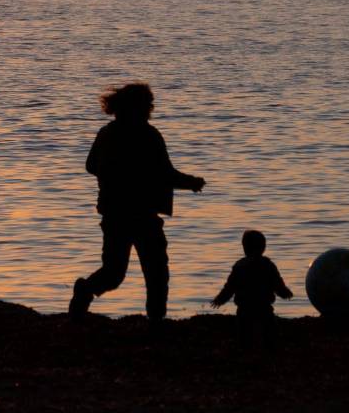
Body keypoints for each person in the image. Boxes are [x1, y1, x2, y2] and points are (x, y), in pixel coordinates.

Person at [69, 83, 206, 320]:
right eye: (148, 104)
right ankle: (156, 320)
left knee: (113, 272)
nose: (151, 108)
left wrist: (111, 175)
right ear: (139, 107)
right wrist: (192, 182)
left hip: (113, 213)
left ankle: (85, 290)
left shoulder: (106, 133)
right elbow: (165, 173)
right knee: (156, 272)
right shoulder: (148, 135)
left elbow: (90, 166)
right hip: (143, 214)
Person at [210, 230, 294, 348]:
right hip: (264, 307)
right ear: (263, 247)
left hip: (245, 308)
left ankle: (246, 350)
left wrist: (220, 299)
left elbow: (230, 287)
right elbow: (277, 284)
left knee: (244, 334)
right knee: (269, 332)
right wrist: (285, 293)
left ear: (244, 248)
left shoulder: (240, 266)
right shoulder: (268, 265)